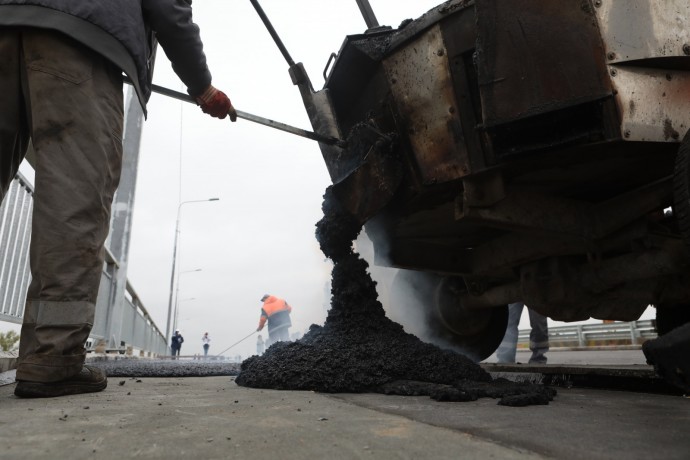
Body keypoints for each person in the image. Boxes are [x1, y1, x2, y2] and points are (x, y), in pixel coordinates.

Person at [1, 1, 236, 398]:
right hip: (76, 37)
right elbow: (168, 7)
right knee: (75, 196)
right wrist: (203, 87)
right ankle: (52, 357)